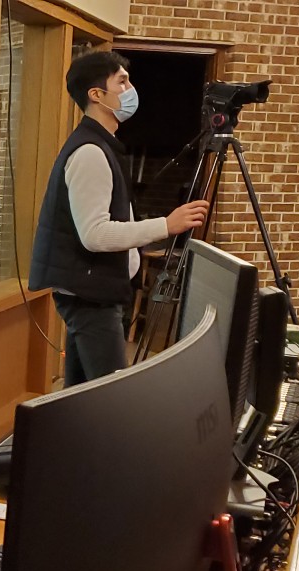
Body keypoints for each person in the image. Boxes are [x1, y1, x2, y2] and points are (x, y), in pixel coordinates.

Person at [28, 50, 210, 386]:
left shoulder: (103, 145)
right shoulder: (90, 152)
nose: (130, 89)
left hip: (93, 292)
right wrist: (166, 225)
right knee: (111, 395)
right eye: (122, 82)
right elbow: (94, 234)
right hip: (90, 297)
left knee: (82, 394)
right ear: (96, 95)